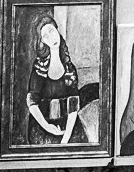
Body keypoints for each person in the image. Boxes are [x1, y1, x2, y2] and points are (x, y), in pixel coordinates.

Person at [25, 12, 90, 146]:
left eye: (52, 31)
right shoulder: (39, 68)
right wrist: (48, 127)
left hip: (67, 123)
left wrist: (65, 138)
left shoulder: (69, 68)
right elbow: (32, 103)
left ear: (57, 30)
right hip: (42, 125)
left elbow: (73, 104)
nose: (51, 37)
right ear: (42, 41)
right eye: (45, 36)